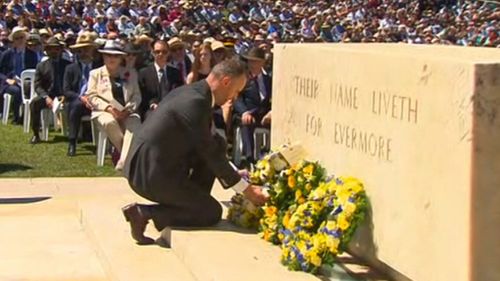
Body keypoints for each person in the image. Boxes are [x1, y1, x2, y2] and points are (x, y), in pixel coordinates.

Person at [122, 58, 268, 245]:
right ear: (225, 82)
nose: (235, 97)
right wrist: (246, 190)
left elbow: (212, 145)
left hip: (157, 164)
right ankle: (144, 213)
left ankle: (193, 203)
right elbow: (209, 153)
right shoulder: (195, 102)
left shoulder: (195, 92)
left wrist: (234, 174)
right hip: (149, 173)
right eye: (237, 91)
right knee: (211, 212)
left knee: (219, 142)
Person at [86, 40, 141, 170]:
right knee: (109, 122)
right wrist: (109, 108)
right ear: (103, 56)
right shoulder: (95, 74)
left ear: (121, 57)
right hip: (104, 112)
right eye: (108, 55)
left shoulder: (130, 73)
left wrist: (128, 110)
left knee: (134, 124)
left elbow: (137, 96)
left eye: (116, 55)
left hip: (127, 111)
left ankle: (122, 161)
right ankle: (128, 157)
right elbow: (91, 96)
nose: (112, 58)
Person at [233, 47, 272, 163]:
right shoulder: (243, 79)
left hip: (263, 114)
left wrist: (271, 112)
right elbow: (236, 97)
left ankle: (268, 156)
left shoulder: (268, 80)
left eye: (255, 61)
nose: (252, 64)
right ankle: (250, 160)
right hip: (247, 113)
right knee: (247, 123)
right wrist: (244, 111)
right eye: (250, 61)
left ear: (262, 63)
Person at [63, 32, 99, 156]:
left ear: (92, 50)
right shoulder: (70, 68)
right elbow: (66, 90)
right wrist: (81, 97)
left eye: (86, 49)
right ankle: (72, 142)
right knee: (77, 106)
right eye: (80, 50)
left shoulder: (99, 67)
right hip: (77, 101)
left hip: (97, 101)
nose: (83, 52)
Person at [30, 36, 70, 143]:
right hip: (49, 95)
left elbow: (72, 83)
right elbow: (37, 86)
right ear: (46, 50)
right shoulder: (41, 66)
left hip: (65, 95)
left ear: (61, 50)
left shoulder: (68, 65)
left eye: (56, 49)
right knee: (34, 103)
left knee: (76, 103)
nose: (53, 51)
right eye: (50, 48)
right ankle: (36, 134)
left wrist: (66, 95)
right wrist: (46, 97)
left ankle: (77, 134)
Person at [0, 26, 38, 124]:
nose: (20, 40)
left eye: (21, 37)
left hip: (28, 82)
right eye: (17, 38)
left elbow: (35, 70)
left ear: (25, 38)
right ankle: (17, 117)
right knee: (17, 91)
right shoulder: (7, 54)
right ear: (13, 41)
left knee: (33, 91)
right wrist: (7, 79)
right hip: (10, 82)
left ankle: (30, 116)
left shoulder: (32, 54)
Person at [138, 39, 183, 120]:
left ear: (168, 53)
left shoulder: (175, 73)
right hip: (151, 111)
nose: (161, 54)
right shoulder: (144, 73)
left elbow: (179, 93)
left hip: (171, 110)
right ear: (152, 53)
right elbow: (142, 95)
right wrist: (152, 104)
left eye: (164, 52)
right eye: (157, 52)